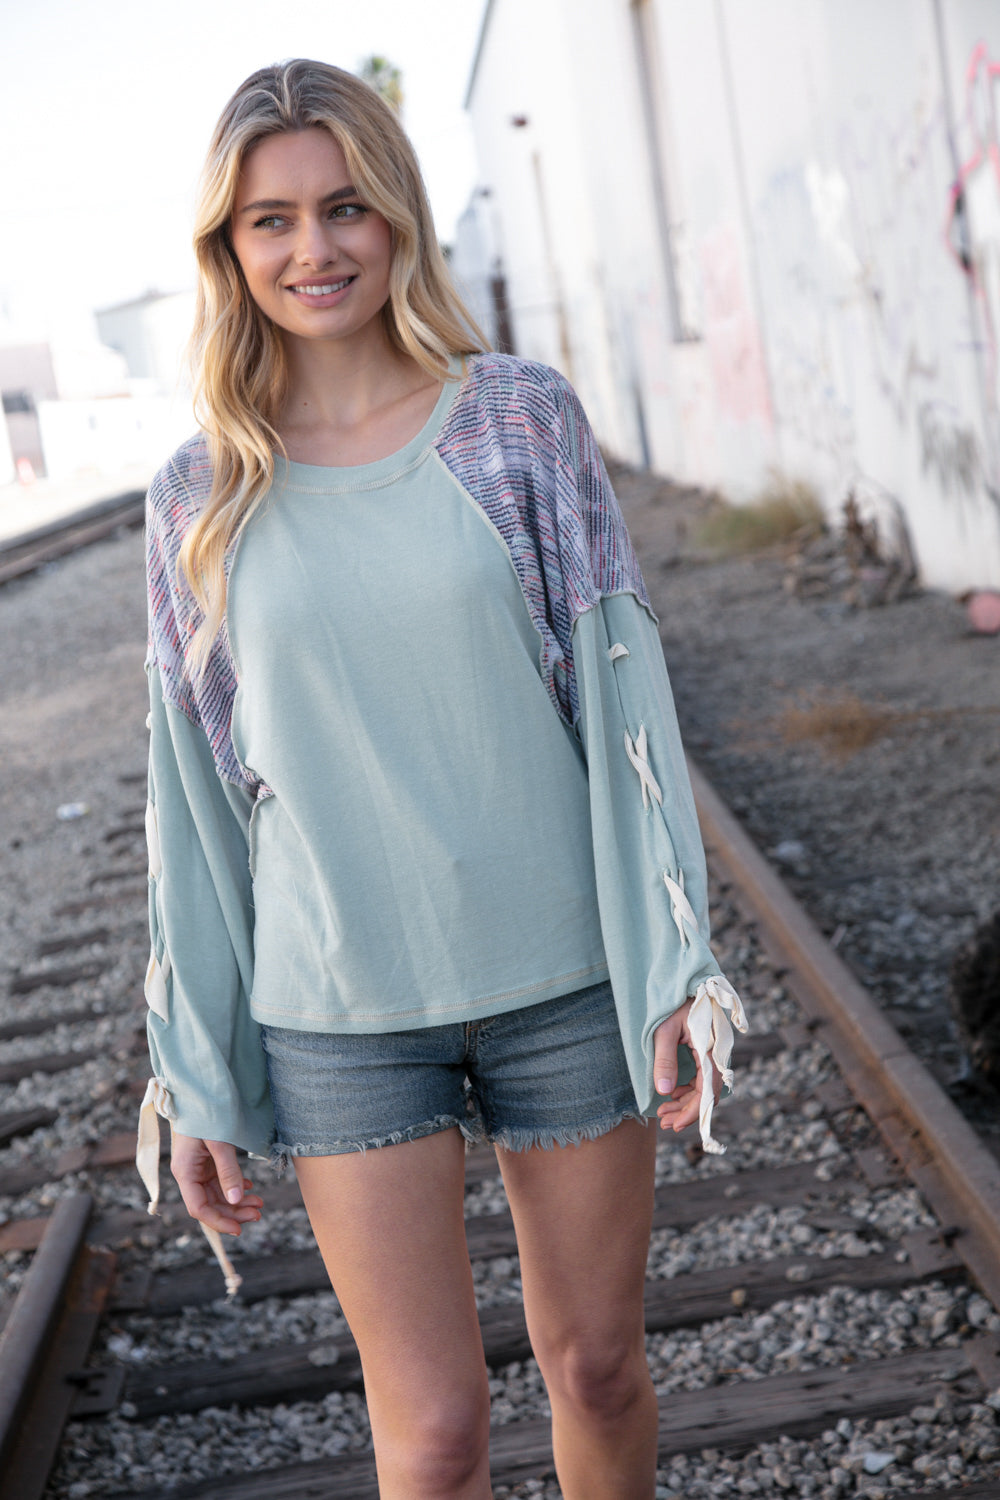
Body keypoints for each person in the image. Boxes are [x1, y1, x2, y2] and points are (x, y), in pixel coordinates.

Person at [135, 58, 748, 1500]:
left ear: (398, 216)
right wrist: (199, 1068)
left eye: (345, 206)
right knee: (434, 1434)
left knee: (596, 1367)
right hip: (341, 1018)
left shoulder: (518, 423)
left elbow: (624, 703)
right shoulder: (198, 498)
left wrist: (674, 960)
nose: (315, 247)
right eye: (272, 220)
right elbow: (196, 807)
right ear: (230, 248)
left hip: (562, 984)